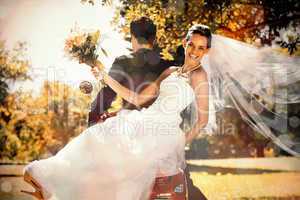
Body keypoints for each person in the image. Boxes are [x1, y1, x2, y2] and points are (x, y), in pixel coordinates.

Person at [21, 24, 211, 200]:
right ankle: (47, 182)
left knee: (125, 170)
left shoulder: (200, 75)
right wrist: (105, 77)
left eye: (201, 48)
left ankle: (50, 185)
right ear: (185, 43)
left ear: (206, 51)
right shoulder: (170, 71)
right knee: (96, 140)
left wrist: (180, 142)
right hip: (145, 120)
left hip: (165, 132)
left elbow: (203, 119)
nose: (194, 51)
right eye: (192, 45)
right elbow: (136, 98)